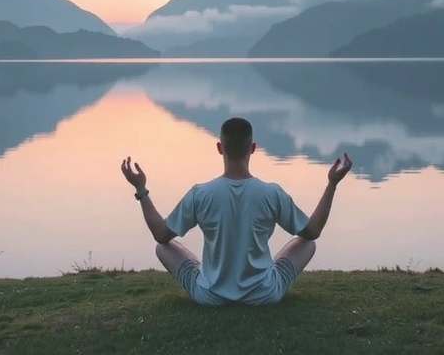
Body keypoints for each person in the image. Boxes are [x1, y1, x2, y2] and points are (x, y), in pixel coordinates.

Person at [120, 116, 353, 306]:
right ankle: (259, 275)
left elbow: (161, 235)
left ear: (220, 148)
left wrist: (141, 189)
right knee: (307, 243)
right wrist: (332, 184)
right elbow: (312, 231)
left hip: (210, 296)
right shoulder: (271, 193)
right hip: (265, 294)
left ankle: (210, 276)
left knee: (163, 247)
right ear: (253, 148)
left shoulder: (201, 194)